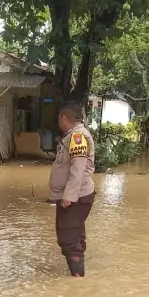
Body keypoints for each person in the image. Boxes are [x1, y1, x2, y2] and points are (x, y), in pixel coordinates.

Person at [49, 102, 96, 277]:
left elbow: (78, 168)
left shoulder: (77, 137)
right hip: (75, 195)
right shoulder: (73, 135)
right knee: (74, 234)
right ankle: (78, 276)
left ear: (63, 119)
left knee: (69, 238)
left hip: (76, 197)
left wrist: (69, 196)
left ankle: (77, 280)